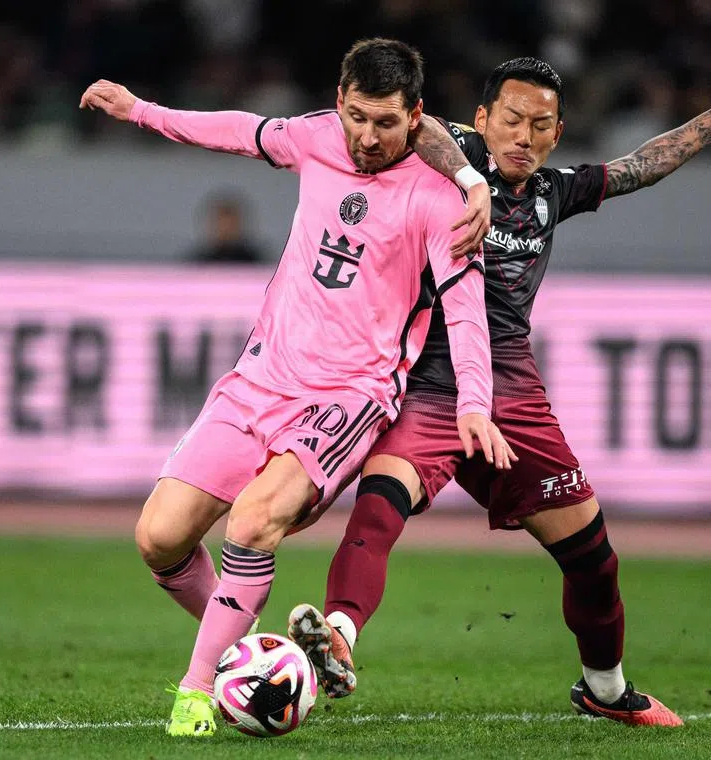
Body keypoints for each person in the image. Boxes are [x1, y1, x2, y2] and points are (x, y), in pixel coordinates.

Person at [288, 28, 711, 728]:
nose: (523, 136)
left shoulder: (556, 191)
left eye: (540, 124)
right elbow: (415, 123)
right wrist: (464, 173)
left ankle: (604, 690)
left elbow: (647, 162)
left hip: (514, 398)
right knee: (379, 509)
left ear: (558, 132)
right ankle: (338, 636)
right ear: (481, 120)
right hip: (430, 385)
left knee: (593, 559)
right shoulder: (444, 155)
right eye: (510, 119)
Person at [78, 38, 516, 738]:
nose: (367, 138)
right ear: (338, 103)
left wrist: (473, 403)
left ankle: (197, 692)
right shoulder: (316, 139)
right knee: (158, 538)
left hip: (347, 396)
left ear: (417, 118)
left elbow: (465, 311)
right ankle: (262, 659)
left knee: (252, 524)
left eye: (385, 123)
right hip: (258, 380)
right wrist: (141, 111)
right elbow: (234, 131)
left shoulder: (443, 203)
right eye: (356, 118)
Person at [182, 194, 264, 265]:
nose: (226, 230)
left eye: (231, 224)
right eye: (222, 224)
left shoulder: (256, 263)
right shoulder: (196, 263)